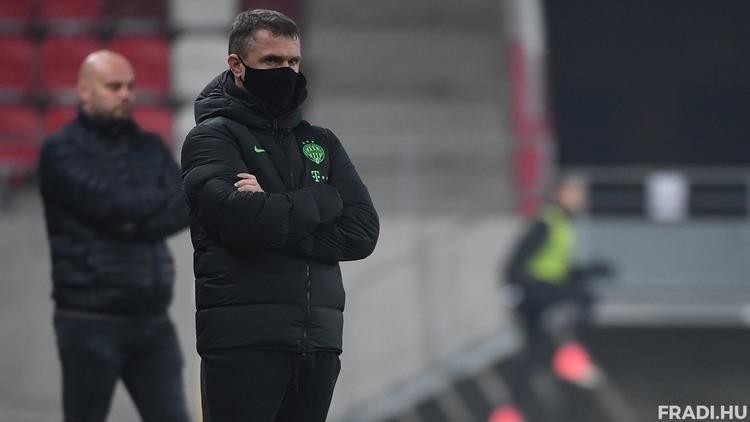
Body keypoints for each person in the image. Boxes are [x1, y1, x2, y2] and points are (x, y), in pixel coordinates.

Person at [180, 9, 379, 422]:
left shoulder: (321, 142)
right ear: (237, 65)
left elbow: (362, 232)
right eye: (272, 61)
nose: (286, 72)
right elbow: (239, 220)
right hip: (244, 342)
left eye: (293, 61)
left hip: (319, 343)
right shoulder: (211, 137)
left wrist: (274, 207)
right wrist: (322, 201)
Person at [38, 50, 191, 422]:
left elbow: (185, 205)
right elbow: (114, 204)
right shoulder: (61, 151)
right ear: (84, 90)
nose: (125, 94)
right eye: (113, 86)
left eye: (130, 86)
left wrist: (134, 219)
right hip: (90, 320)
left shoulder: (151, 146)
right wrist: (154, 201)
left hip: (153, 319)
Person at [500, 174, 612, 421]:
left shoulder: (562, 223)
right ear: (560, 193)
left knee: (533, 350)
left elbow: (559, 270)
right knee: (584, 296)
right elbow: (515, 261)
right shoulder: (547, 222)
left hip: (537, 291)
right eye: (574, 193)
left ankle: (509, 412)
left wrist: (591, 270)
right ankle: (572, 357)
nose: (579, 199)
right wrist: (514, 287)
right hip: (533, 290)